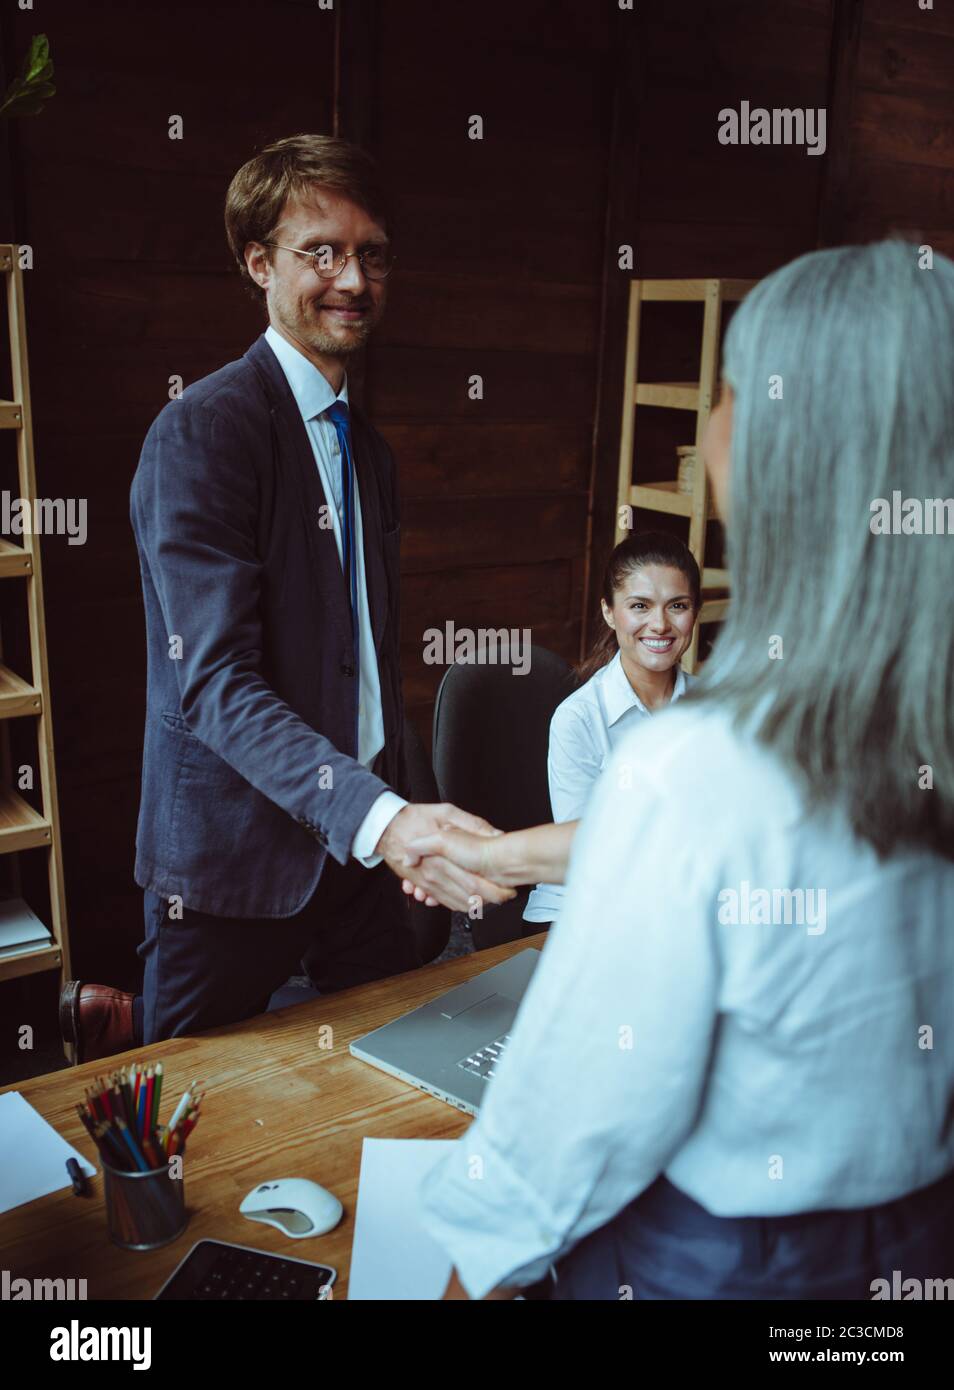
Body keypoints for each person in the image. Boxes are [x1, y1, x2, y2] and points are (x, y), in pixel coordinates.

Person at [406, 240, 954, 1299]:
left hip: (725, 1268)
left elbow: (551, 1153)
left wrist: (468, 1270)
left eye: (726, 394)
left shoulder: (702, 771)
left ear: (768, 445)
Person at [60, 134, 511, 1059]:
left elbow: (366, 662)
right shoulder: (201, 433)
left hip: (360, 859)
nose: (352, 277)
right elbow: (215, 683)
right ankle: (122, 1021)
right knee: (191, 1120)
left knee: (387, 1077)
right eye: (322, 251)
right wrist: (383, 821)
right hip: (230, 865)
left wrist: (398, 814)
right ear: (259, 262)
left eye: (372, 253)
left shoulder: (369, 453)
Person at [522, 532, 700, 925]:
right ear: (608, 612)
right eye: (640, 606)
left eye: (678, 606)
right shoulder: (579, 719)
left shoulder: (716, 711)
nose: (660, 624)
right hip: (586, 909)